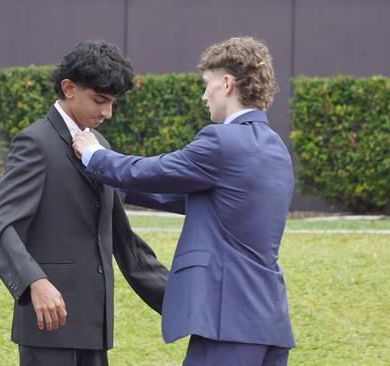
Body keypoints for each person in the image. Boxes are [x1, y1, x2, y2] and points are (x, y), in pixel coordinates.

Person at [73, 36, 295, 366]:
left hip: (228, 324)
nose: (205, 95)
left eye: (207, 85)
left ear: (227, 83)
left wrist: (94, 155)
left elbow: (151, 171)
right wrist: (114, 188)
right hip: (269, 323)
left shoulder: (222, 141)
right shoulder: (276, 148)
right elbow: (195, 198)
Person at [0, 40, 168, 366]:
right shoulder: (34, 142)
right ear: (69, 88)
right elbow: (0, 223)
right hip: (48, 326)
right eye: (100, 101)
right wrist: (34, 282)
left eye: (112, 103)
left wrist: (180, 300)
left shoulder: (101, 146)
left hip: (94, 329)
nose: (107, 113)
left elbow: (123, 240)